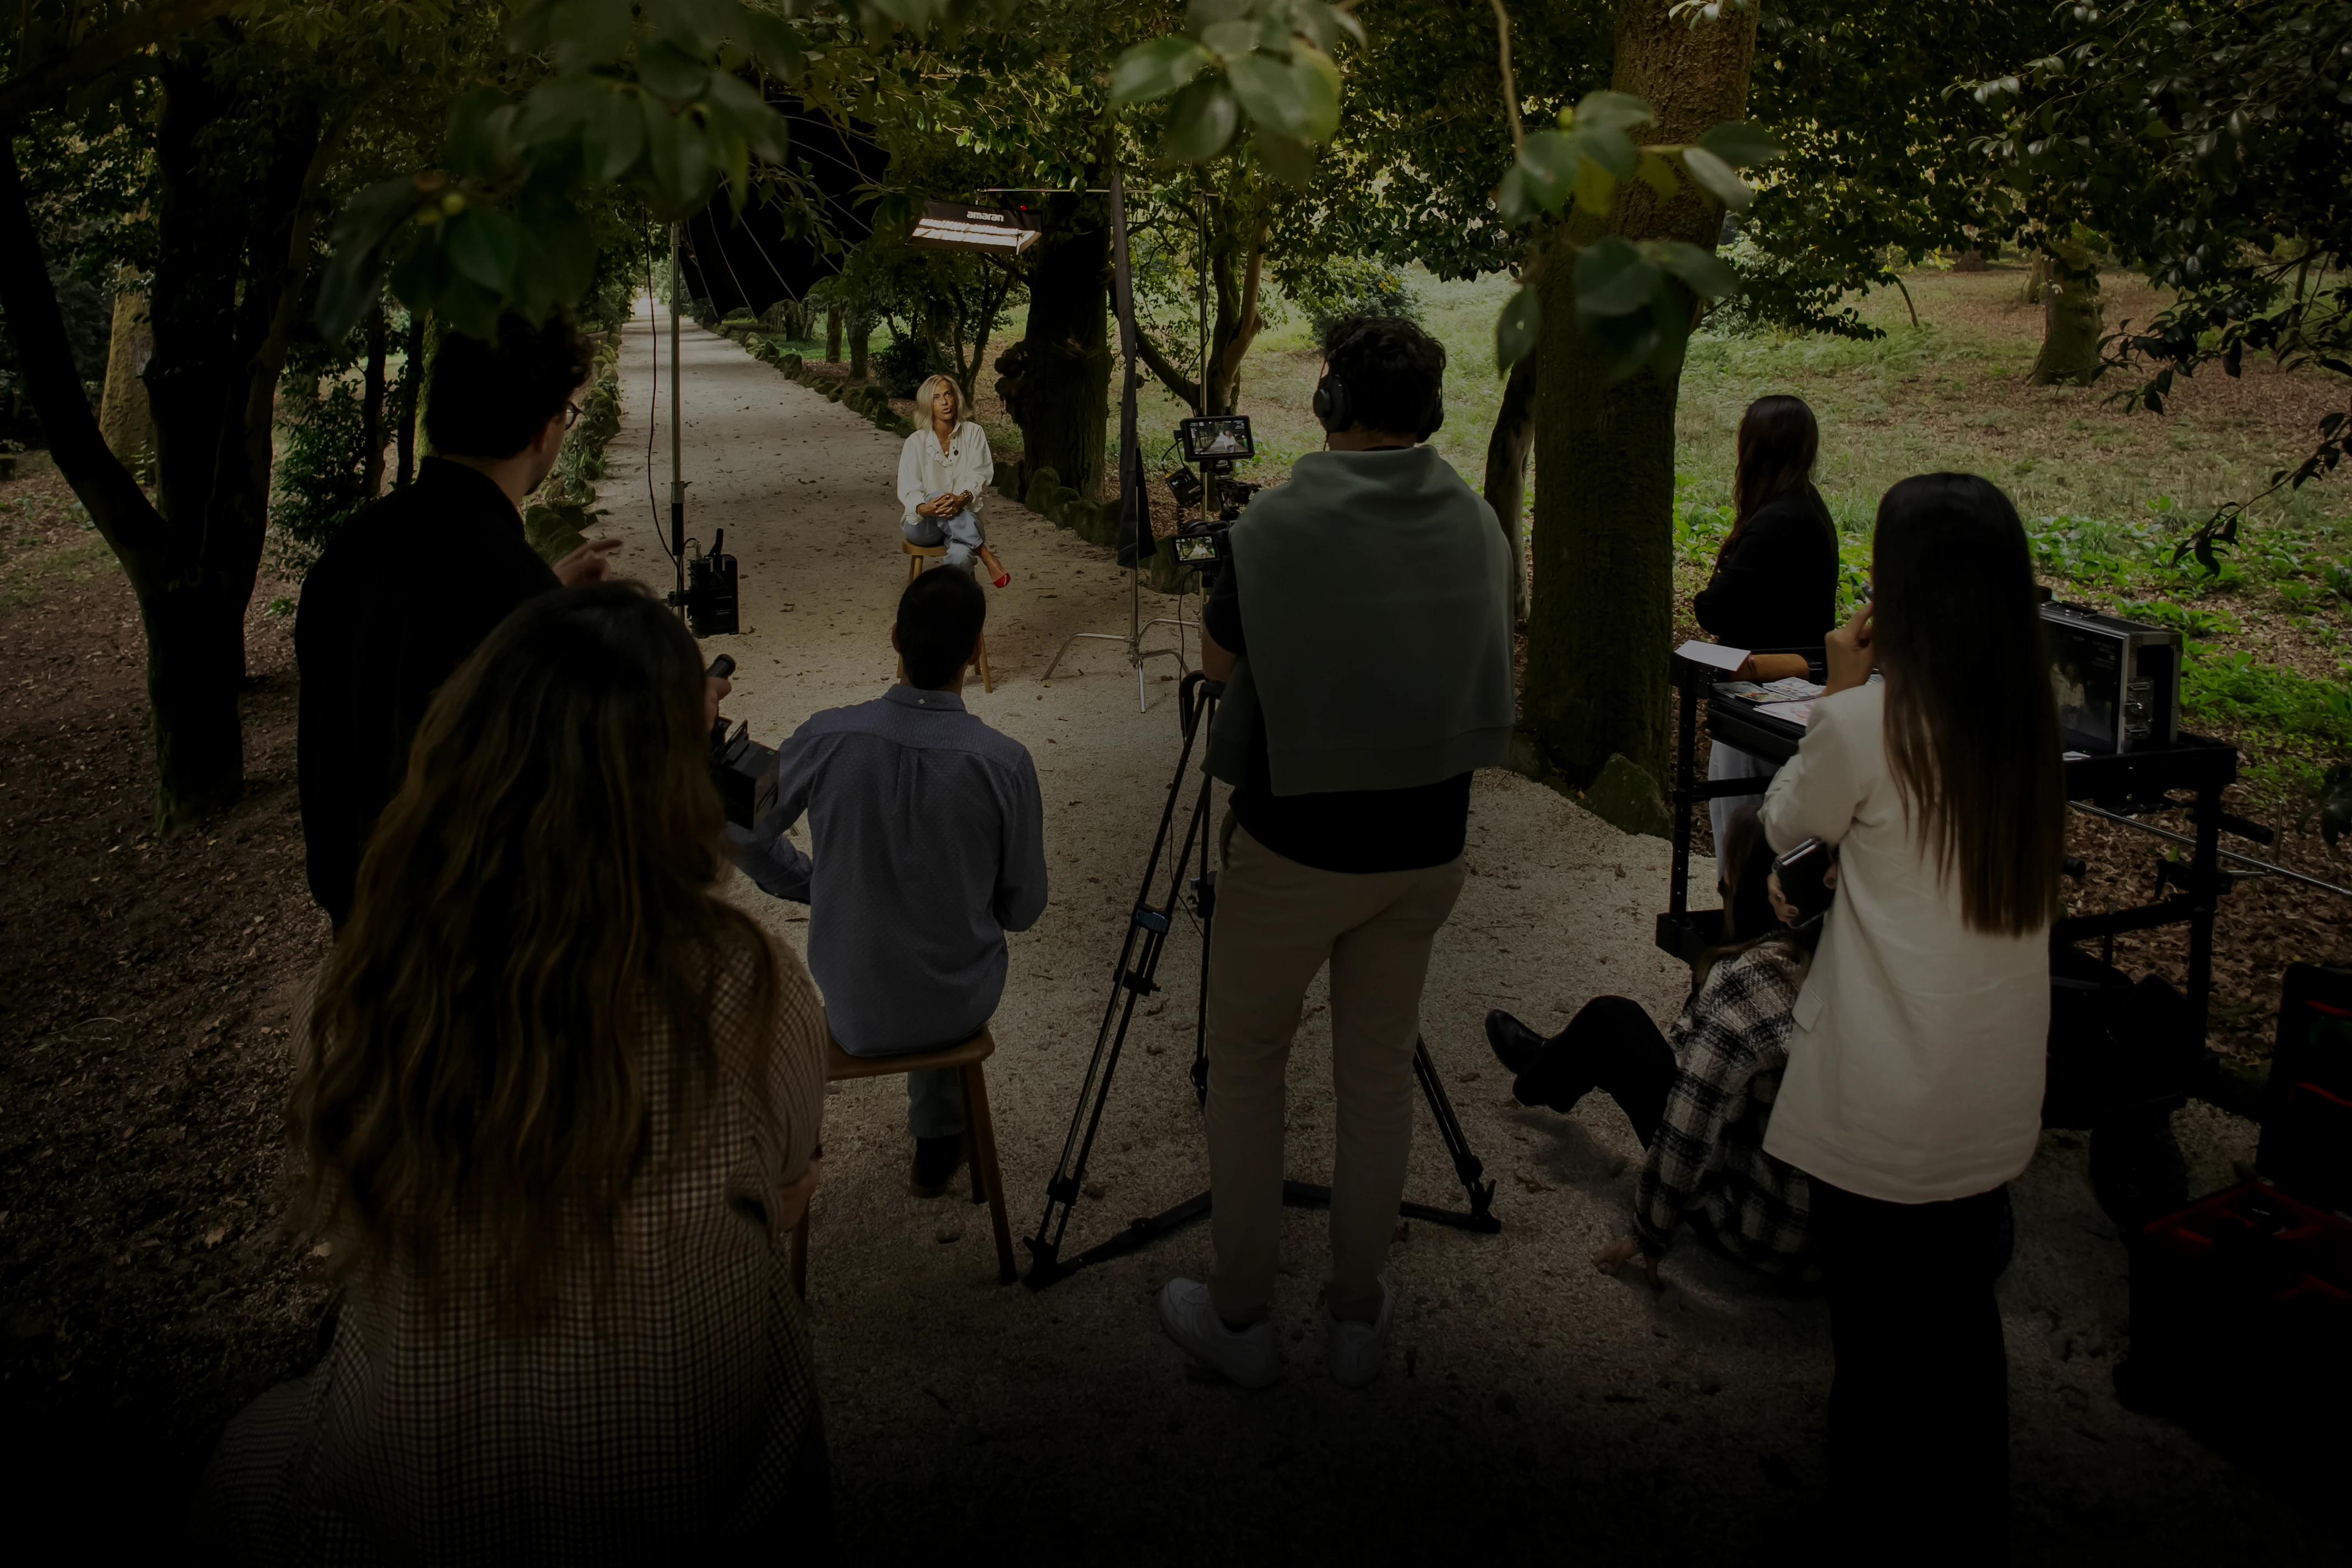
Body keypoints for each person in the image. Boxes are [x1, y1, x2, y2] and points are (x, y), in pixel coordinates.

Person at [195, 584, 831, 1562]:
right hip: (698, 1471)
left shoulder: (366, 983)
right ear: (667, 784)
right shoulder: (749, 982)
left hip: (417, 1478)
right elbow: (790, 1192)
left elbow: (338, 1206)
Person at [1155, 315, 1515, 1390]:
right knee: (1377, 1076)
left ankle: (1243, 1314)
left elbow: (1220, 655)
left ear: (1332, 404)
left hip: (1298, 843)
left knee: (1249, 1069)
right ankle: (1357, 1316)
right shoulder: (1482, 523)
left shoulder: (1278, 525)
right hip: (1427, 846)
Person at [1758, 472, 2062, 1564]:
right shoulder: (2028, 723)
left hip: (1889, 1102)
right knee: (1960, 1323)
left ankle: (1868, 1523)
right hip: (1989, 1099)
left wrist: (1844, 684)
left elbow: (1784, 817)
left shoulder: (1873, 719)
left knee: (1878, 1346)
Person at [295, 312, 670, 932]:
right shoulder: (512, 591)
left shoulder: (350, 553)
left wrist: (539, 591)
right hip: (462, 943)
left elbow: (406, 670)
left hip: (359, 922)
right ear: (544, 431)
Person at [729, 566, 1046, 1194]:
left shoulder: (826, 735)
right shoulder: (1005, 763)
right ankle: (938, 1137)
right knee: (943, 934)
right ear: (975, 648)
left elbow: (738, 832)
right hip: (961, 1002)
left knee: (890, 935)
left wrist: (817, 884)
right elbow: (1024, 907)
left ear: (894, 639)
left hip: (854, 1005)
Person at [1483, 807, 1817, 1286]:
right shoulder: (1840, 954)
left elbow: (1690, 1120)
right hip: (1828, 1239)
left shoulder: (1749, 980)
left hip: (1753, 1226)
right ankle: (1554, 1056)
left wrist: (1651, 1232)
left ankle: (1538, 1072)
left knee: (1613, 1021)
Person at [1691, 395, 1842, 850]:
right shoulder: (1807, 507)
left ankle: (1741, 912)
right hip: (1788, 694)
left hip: (1760, 700)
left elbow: (1713, 608)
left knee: (1744, 838)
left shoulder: (1779, 519)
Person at [897, 373, 1008, 587]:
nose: (945, 402)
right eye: (937, 397)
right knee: (938, 496)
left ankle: (956, 611)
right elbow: (909, 488)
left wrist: (963, 498)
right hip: (923, 526)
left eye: (948, 394)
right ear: (927, 404)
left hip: (964, 518)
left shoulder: (974, 433)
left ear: (956, 398)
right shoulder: (915, 442)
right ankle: (985, 554)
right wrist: (924, 507)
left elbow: (979, 474)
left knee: (961, 556)